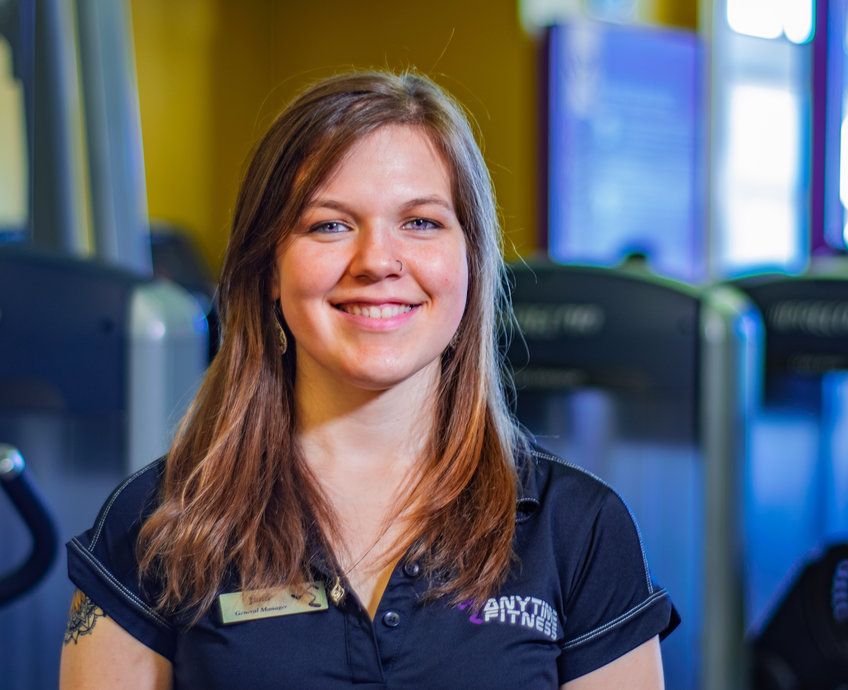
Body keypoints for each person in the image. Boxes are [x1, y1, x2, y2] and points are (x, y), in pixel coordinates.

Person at [59, 71, 679, 689]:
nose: (378, 261)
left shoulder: (578, 526)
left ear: (470, 259)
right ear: (268, 268)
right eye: (329, 225)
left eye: (421, 223)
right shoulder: (159, 522)